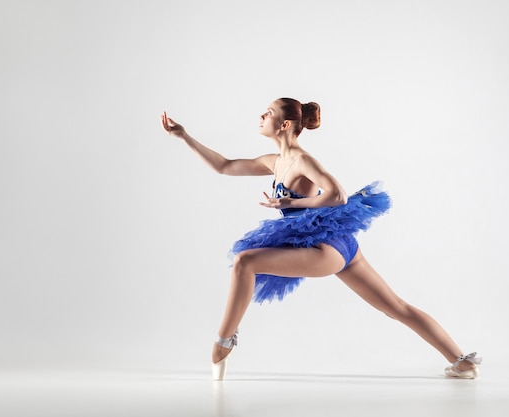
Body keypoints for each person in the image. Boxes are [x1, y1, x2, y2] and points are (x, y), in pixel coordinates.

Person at [160, 98, 482, 381]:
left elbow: (338, 195)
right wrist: (184, 136)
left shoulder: (302, 161)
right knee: (396, 307)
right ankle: (461, 362)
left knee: (245, 262)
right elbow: (225, 166)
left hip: (324, 247)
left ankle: (223, 342)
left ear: (284, 124)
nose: (261, 116)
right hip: (339, 244)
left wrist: (292, 203)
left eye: (267, 112)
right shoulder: (274, 162)